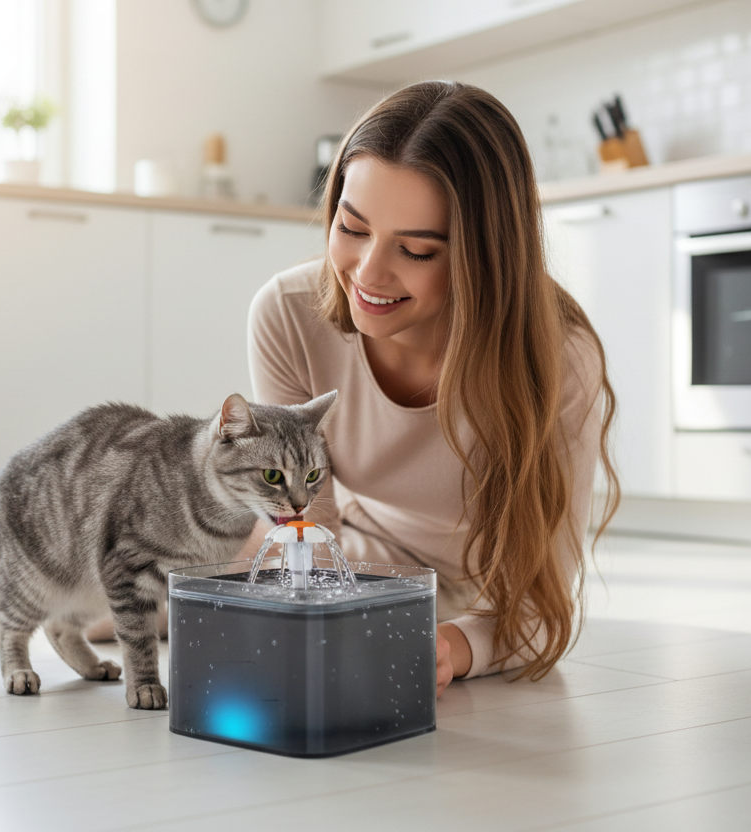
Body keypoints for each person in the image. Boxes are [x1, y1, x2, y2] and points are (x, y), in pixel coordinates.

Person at [247, 80, 619, 696]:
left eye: (416, 250)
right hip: (355, 553)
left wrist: (452, 645)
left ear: (485, 257)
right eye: (352, 227)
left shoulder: (559, 361)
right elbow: (306, 534)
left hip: (471, 592)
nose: (366, 274)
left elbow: (541, 606)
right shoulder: (287, 312)